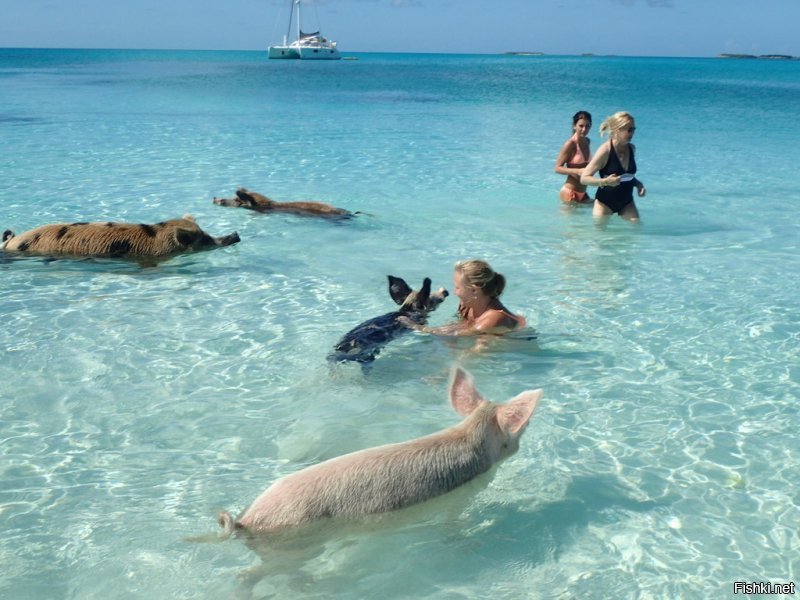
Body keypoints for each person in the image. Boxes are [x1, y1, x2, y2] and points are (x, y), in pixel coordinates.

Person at [400, 259, 525, 336]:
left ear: (474, 290)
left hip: (518, 344)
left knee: (481, 345)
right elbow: (454, 328)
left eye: (457, 288)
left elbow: (456, 334)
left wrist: (415, 326)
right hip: (487, 335)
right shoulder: (467, 305)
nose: (454, 292)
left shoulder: (494, 318)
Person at [580, 111, 646, 221]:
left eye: (633, 129)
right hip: (605, 203)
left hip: (627, 202)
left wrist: (638, 184)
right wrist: (606, 181)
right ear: (617, 130)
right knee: (600, 237)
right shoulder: (605, 150)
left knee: (636, 232)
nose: (632, 133)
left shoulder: (631, 149)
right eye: (629, 130)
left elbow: (627, 175)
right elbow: (584, 178)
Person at [554, 110, 594, 204]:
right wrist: (577, 171)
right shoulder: (570, 144)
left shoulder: (587, 141)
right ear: (574, 126)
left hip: (583, 194)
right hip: (569, 193)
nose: (584, 129)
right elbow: (557, 168)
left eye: (587, 126)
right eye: (581, 126)